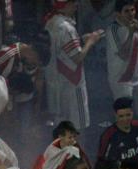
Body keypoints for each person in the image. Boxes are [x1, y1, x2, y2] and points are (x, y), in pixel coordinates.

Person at [44, 0, 104, 131]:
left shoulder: (51, 22)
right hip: (73, 82)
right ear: (64, 6)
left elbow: (64, 48)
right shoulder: (66, 28)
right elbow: (78, 57)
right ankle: (79, 151)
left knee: (62, 127)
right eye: (72, 3)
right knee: (78, 127)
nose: (76, 5)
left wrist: (82, 39)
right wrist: (91, 41)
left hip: (57, 81)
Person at [107, 0, 138, 119]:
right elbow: (123, 54)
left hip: (137, 75)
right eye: (126, 11)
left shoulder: (133, 24)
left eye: (132, 10)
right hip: (121, 78)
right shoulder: (113, 29)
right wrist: (131, 33)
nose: (131, 14)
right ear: (118, 14)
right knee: (124, 114)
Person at [96, 97, 138, 169]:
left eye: (128, 115)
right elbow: (102, 161)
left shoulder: (137, 126)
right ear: (115, 116)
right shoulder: (109, 135)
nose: (125, 119)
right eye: (121, 116)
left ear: (132, 113)